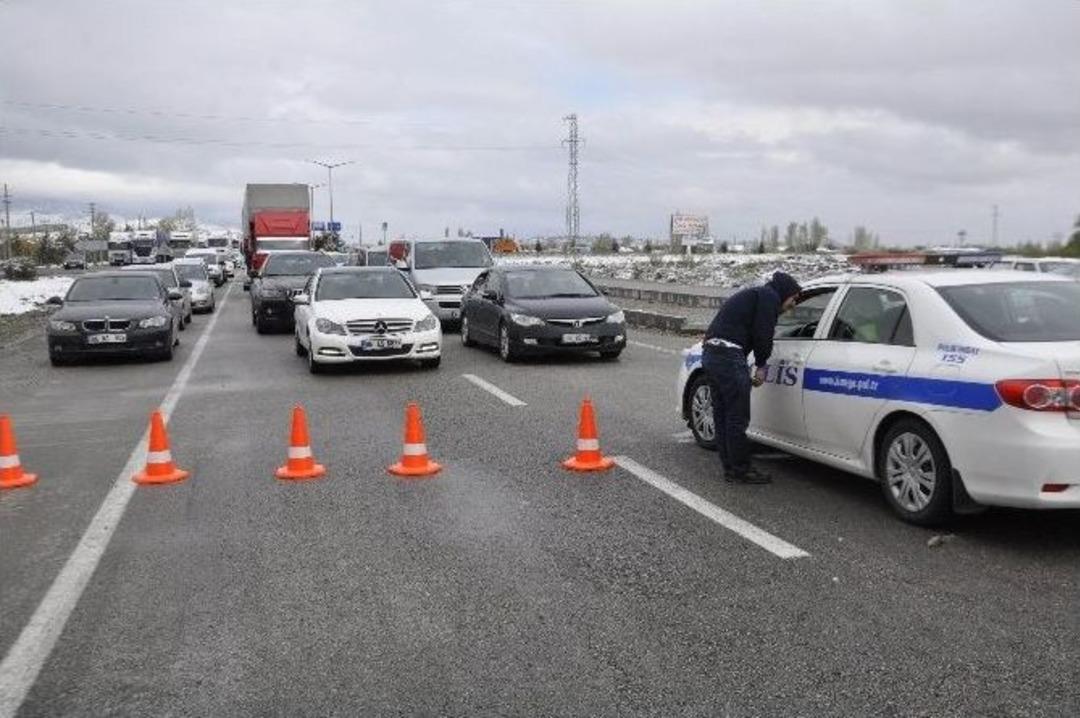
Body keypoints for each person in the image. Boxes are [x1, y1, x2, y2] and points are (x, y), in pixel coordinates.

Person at [702, 271, 802, 484]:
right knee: (737, 417)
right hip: (728, 356)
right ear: (785, 292)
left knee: (723, 416)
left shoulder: (756, 294)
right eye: (794, 298)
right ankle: (741, 470)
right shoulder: (769, 298)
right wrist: (762, 365)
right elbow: (763, 334)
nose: (793, 305)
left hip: (711, 354)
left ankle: (731, 468)